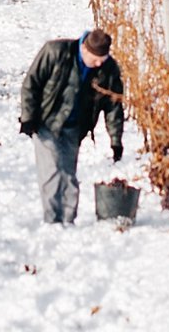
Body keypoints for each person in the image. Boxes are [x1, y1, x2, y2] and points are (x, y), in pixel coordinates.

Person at [19, 29, 125, 224]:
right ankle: (52, 221)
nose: (99, 63)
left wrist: (116, 140)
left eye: (103, 58)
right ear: (84, 48)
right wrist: (28, 118)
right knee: (52, 172)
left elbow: (113, 106)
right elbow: (30, 84)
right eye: (95, 58)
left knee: (68, 175)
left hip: (75, 127)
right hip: (46, 123)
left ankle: (68, 221)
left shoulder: (108, 69)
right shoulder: (55, 51)